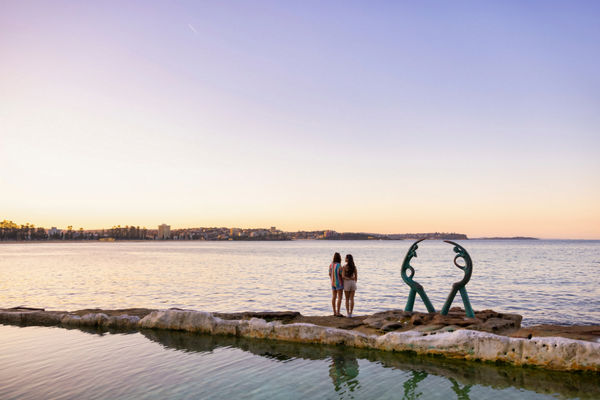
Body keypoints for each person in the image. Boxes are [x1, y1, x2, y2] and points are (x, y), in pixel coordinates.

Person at [329, 252, 344, 317]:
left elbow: (329, 274)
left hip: (333, 283)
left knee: (334, 297)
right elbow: (341, 274)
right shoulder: (339, 265)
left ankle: (334, 312)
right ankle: (338, 312)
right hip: (339, 283)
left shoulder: (330, 265)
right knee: (339, 298)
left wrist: (332, 279)